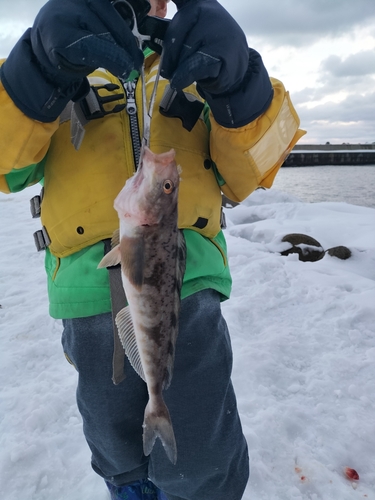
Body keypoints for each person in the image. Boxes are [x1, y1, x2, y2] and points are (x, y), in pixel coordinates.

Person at [0, 0, 303, 498]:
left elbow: (259, 164)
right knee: (114, 440)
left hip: (189, 292)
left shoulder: (201, 69)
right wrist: (35, 71)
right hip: (86, 296)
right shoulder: (59, 67)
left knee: (202, 446)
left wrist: (241, 85)